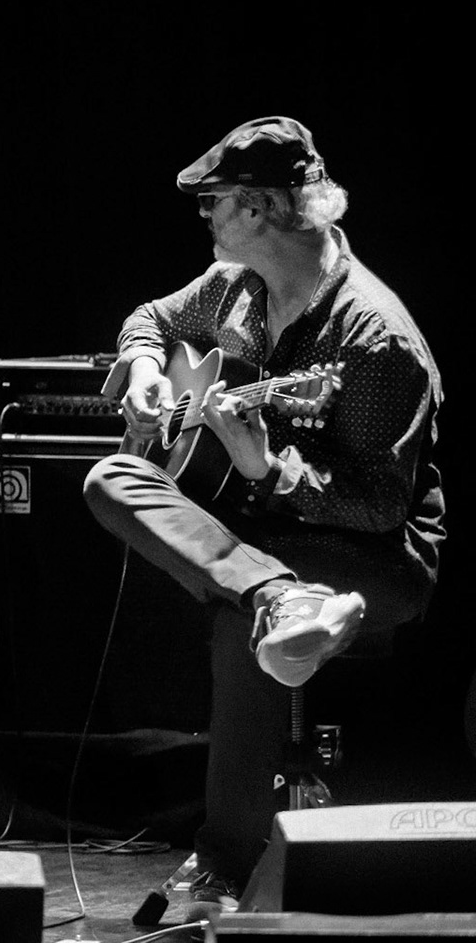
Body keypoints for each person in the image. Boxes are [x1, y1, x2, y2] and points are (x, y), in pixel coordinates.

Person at [83, 116, 444, 924]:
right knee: (111, 477)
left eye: (212, 201)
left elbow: (381, 507)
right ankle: (280, 596)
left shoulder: (374, 336)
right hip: (272, 545)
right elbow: (151, 319)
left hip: (375, 559)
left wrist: (265, 468)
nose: (204, 216)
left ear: (260, 208)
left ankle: (223, 861)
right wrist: (143, 369)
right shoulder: (235, 287)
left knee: (238, 623)